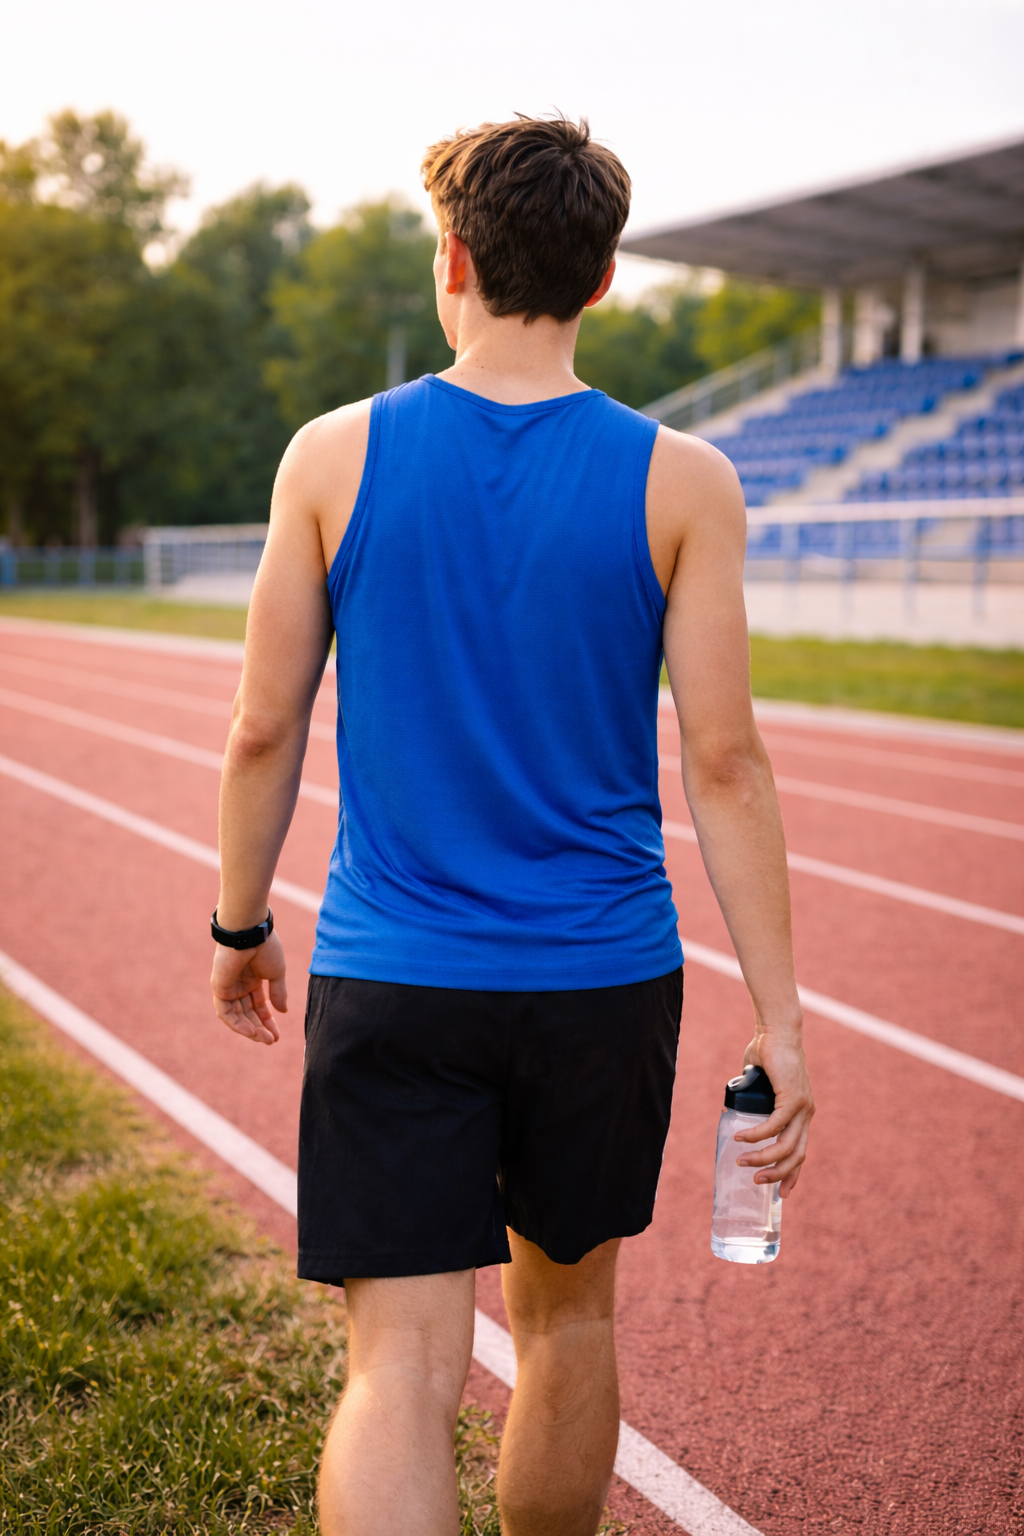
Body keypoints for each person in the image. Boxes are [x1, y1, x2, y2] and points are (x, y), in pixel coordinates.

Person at [210, 115, 814, 1536]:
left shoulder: (330, 456)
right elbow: (725, 763)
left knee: (403, 1361)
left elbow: (261, 726)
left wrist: (241, 921)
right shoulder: (686, 481)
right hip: (599, 982)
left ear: (454, 260)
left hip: (399, 970)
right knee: (566, 1329)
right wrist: (781, 1021)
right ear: (604, 278)